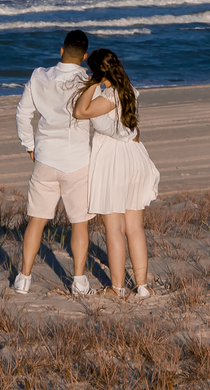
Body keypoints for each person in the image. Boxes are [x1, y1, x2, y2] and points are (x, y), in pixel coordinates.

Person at [13, 30, 96, 296]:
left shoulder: (39, 76)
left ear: (61, 51)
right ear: (84, 57)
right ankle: (79, 281)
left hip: (46, 157)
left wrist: (30, 145)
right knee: (79, 223)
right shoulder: (88, 80)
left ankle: (24, 278)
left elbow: (23, 113)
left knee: (36, 220)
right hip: (78, 160)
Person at [72, 48, 160, 298]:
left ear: (98, 72)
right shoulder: (128, 89)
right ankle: (142, 286)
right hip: (134, 156)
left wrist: (92, 82)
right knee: (135, 227)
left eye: (92, 70)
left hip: (113, 160)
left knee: (115, 229)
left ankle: (117, 287)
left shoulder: (109, 94)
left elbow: (80, 111)